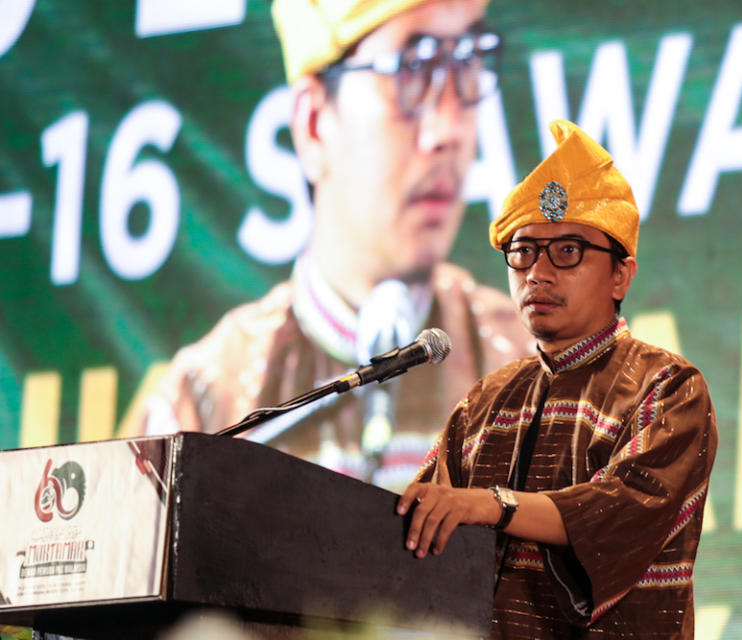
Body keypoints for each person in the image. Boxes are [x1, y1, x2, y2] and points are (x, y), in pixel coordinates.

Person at [129, 0, 532, 491]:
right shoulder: (205, 403)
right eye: (412, 69)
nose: (449, 130)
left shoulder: (535, 373)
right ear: (314, 124)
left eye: (468, 61)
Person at [397, 120, 718, 638]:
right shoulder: (484, 403)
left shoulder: (668, 388)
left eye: (567, 251)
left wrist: (493, 505)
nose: (537, 274)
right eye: (523, 252)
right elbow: (423, 531)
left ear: (621, 275)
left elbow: (618, 512)